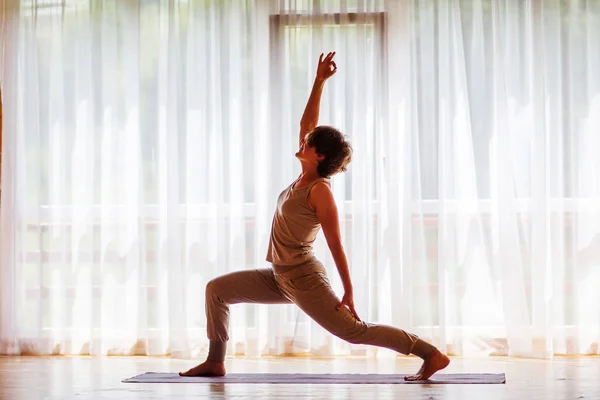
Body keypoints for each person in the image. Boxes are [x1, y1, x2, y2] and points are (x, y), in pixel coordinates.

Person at [180, 52, 450, 381]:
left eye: (307, 143)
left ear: (318, 155)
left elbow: (336, 243)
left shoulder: (320, 191)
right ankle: (215, 361)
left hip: (304, 279)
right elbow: (306, 124)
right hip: (279, 276)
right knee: (216, 290)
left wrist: (349, 291)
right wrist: (319, 81)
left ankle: (429, 353)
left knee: (354, 332)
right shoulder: (303, 178)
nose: (302, 140)